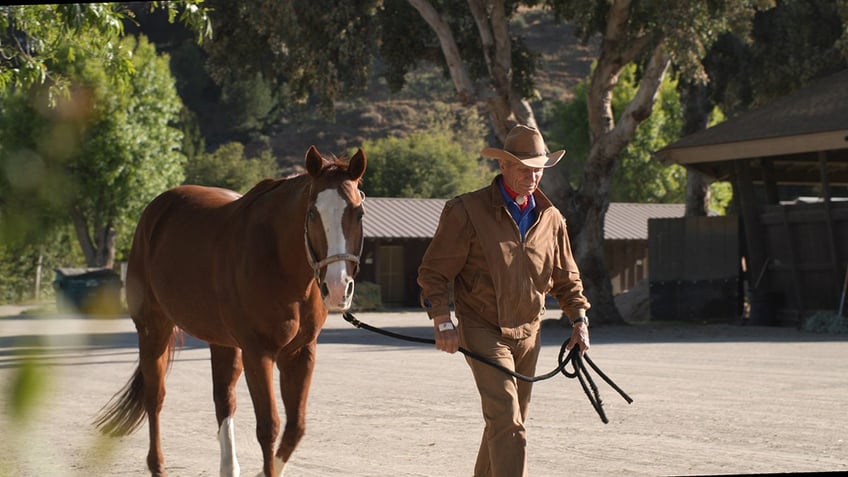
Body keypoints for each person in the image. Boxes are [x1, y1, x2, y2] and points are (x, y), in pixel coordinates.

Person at [417, 124, 591, 477]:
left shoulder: (552, 219)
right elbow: (433, 273)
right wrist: (442, 319)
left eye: (538, 168)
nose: (533, 176)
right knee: (509, 422)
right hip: (483, 328)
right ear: (504, 166)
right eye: (525, 168)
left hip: (530, 333)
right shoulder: (466, 211)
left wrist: (579, 321)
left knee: (505, 423)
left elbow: (566, 277)